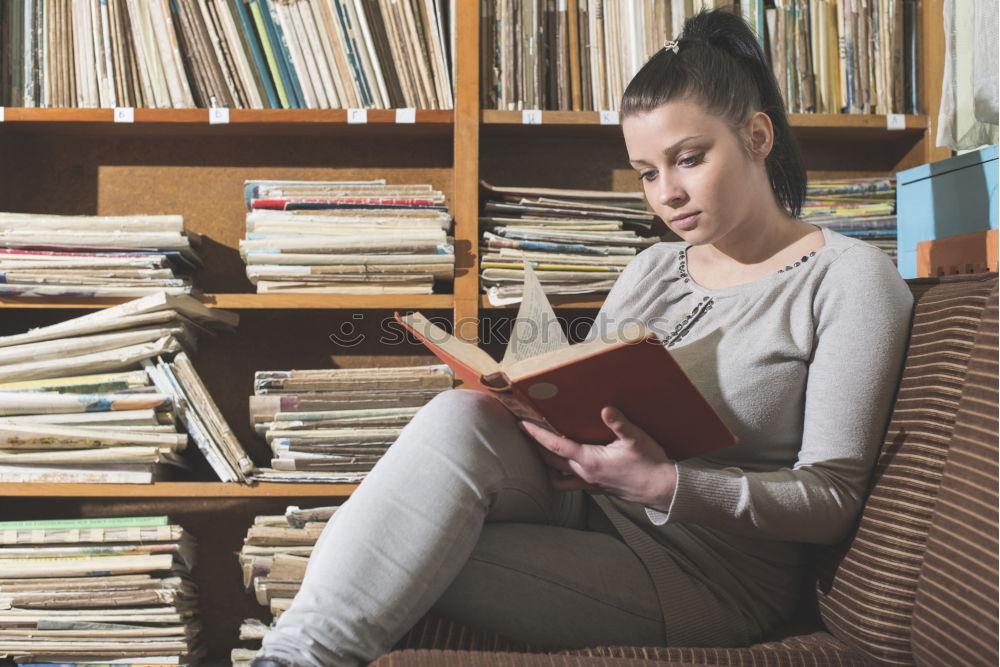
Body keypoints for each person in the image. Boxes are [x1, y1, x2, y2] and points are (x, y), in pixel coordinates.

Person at [252, 9, 913, 666]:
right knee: (459, 414)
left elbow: (830, 497)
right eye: (647, 172)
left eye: (689, 159)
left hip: (702, 573)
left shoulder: (849, 279)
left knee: (393, 546)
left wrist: (665, 484)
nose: (667, 194)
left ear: (758, 136)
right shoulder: (653, 266)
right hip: (587, 508)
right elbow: (585, 402)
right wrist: (533, 408)